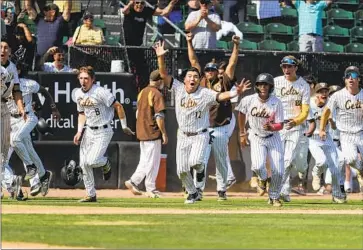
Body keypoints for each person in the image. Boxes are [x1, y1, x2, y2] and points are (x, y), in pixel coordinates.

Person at [154, 41, 251, 204]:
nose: (193, 78)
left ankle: (217, 186)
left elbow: (220, 97)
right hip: (183, 134)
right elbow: (163, 74)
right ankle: (193, 192)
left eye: (195, 77)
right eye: (190, 76)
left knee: (198, 162)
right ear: (184, 79)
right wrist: (160, 58)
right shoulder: (178, 88)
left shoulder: (205, 92)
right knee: (181, 171)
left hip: (205, 132)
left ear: (199, 80)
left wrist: (235, 92)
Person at [187, 33, 240, 200]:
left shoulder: (224, 81)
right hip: (203, 128)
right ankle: (198, 190)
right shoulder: (201, 82)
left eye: (212, 70)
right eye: (208, 69)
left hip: (220, 126)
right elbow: (194, 61)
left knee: (221, 160)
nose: (209, 72)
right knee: (199, 160)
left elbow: (232, 63)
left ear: (217, 72)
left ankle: (222, 189)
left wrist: (236, 47)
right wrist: (189, 42)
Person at [73, 66, 135, 202]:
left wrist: (124, 126)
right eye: (81, 78)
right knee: (84, 163)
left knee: (92, 161)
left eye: (86, 78)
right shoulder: (78, 93)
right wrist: (79, 131)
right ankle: (91, 194)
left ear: (93, 79)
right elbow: (81, 113)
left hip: (103, 129)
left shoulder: (100, 92)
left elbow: (118, 106)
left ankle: (106, 162)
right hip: (89, 130)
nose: (83, 81)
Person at [4, 62, 59, 197]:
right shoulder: (3, 85)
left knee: (15, 139)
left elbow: (44, 91)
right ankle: (43, 175)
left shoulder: (27, 83)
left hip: (27, 117)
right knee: (28, 149)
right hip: (11, 120)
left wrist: (53, 108)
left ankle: (31, 167)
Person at [236, 73, 284, 206]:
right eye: (260, 84)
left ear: (270, 86)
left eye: (266, 84)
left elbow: (281, 125)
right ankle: (263, 179)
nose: (263, 86)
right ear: (257, 86)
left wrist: (272, 127)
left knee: (279, 170)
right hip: (256, 136)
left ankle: (274, 197)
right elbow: (241, 113)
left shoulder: (276, 102)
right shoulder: (248, 100)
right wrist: (242, 133)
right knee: (257, 165)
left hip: (273, 137)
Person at [125, 66, 168, 198]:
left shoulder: (142, 92)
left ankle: (134, 181)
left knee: (145, 160)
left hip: (142, 132)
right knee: (152, 162)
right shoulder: (156, 93)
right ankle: (150, 188)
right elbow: (159, 116)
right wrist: (164, 133)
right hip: (152, 132)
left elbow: (138, 113)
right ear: (159, 81)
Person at [320, 66, 363, 197]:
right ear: (344, 79)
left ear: (359, 79)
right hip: (346, 134)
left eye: (354, 75)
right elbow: (326, 111)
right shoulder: (338, 95)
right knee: (350, 159)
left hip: (362, 131)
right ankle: (361, 170)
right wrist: (322, 129)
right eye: (348, 75)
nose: (351, 78)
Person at [274, 55, 310, 202]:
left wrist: (296, 121)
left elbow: (306, 110)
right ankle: (283, 189)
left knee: (296, 163)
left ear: (295, 67)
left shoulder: (303, 85)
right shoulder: (275, 82)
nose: (286, 69)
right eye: (284, 66)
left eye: (289, 66)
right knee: (281, 159)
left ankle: (286, 185)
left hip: (295, 126)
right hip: (279, 125)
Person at [308, 82, 347, 203]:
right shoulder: (309, 104)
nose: (324, 94)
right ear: (316, 94)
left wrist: (331, 121)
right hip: (313, 138)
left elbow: (334, 127)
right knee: (321, 161)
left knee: (337, 164)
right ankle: (316, 173)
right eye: (321, 91)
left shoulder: (331, 105)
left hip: (327, 138)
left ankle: (337, 194)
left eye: (326, 91)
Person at [1, 39, 27, 201]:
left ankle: (11, 184)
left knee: (3, 153)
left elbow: (16, 90)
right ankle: (11, 184)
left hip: (4, 108)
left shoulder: (11, 68)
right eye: (0, 47)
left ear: (10, 51)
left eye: (5, 47)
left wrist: (21, 107)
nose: (2, 50)